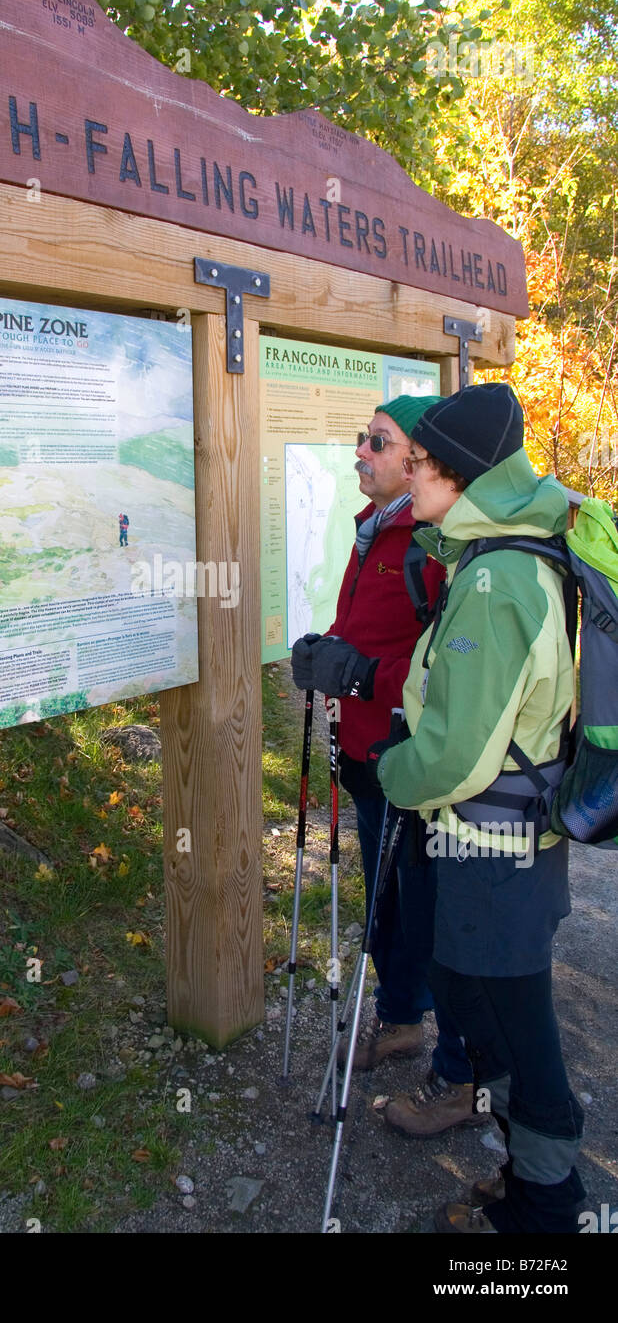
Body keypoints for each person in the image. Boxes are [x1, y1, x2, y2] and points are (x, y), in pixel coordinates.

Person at [374, 382, 584, 1233]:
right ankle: (530, 1176)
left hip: (495, 856)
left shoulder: (497, 583)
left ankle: (544, 1209)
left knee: (515, 1026)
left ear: (460, 476)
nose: (411, 476)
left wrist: (393, 771)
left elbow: (456, 755)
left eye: (420, 463)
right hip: (503, 850)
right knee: (483, 1003)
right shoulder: (502, 557)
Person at [291, 395, 477, 1133]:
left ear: (417, 460)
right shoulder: (376, 529)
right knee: (387, 904)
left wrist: (361, 672)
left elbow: (448, 675)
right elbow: (367, 630)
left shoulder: (433, 544)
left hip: (415, 765)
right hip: (367, 761)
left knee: (434, 913)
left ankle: (458, 1071)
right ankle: (401, 1020)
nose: (361, 451)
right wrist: (329, 650)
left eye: (379, 441)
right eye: (362, 438)